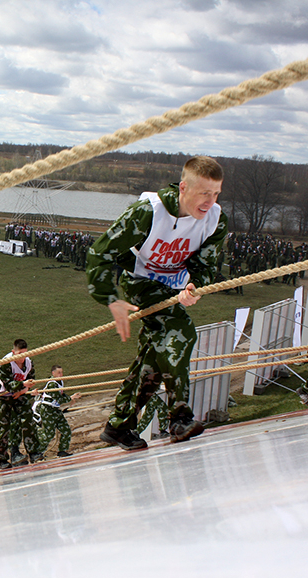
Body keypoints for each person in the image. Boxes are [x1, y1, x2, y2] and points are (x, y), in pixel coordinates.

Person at [86, 156, 228, 450]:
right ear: (184, 187)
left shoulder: (216, 219)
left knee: (153, 359)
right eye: (204, 193)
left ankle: (119, 425)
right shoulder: (148, 213)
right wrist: (111, 299)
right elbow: (100, 253)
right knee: (180, 331)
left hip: (174, 287)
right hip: (141, 281)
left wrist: (195, 286)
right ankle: (179, 417)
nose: (209, 202)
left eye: (216, 194)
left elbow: (205, 264)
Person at [0, 339, 41, 468]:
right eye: (20, 354)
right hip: (3, 395)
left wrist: (25, 389)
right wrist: (22, 385)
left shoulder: (29, 363)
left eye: (25, 353)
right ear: (13, 352)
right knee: (2, 426)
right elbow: (7, 383)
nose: (23, 357)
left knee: (28, 418)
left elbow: (31, 379)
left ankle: (34, 452)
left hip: (19, 393)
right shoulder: (6, 363)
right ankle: (2, 459)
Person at [32, 365, 81, 458]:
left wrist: (71, 399)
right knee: (49, 433)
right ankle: (39, 452)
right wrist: (71, 398)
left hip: (55, 409)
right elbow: (59, 398)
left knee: (66, 429)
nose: (61, 374)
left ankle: (62, 450)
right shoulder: (52, 384)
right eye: (59, 373)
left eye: (62, 372)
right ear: (53, 373)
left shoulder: (60, 382)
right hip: (47, 409)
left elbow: (61, 394)